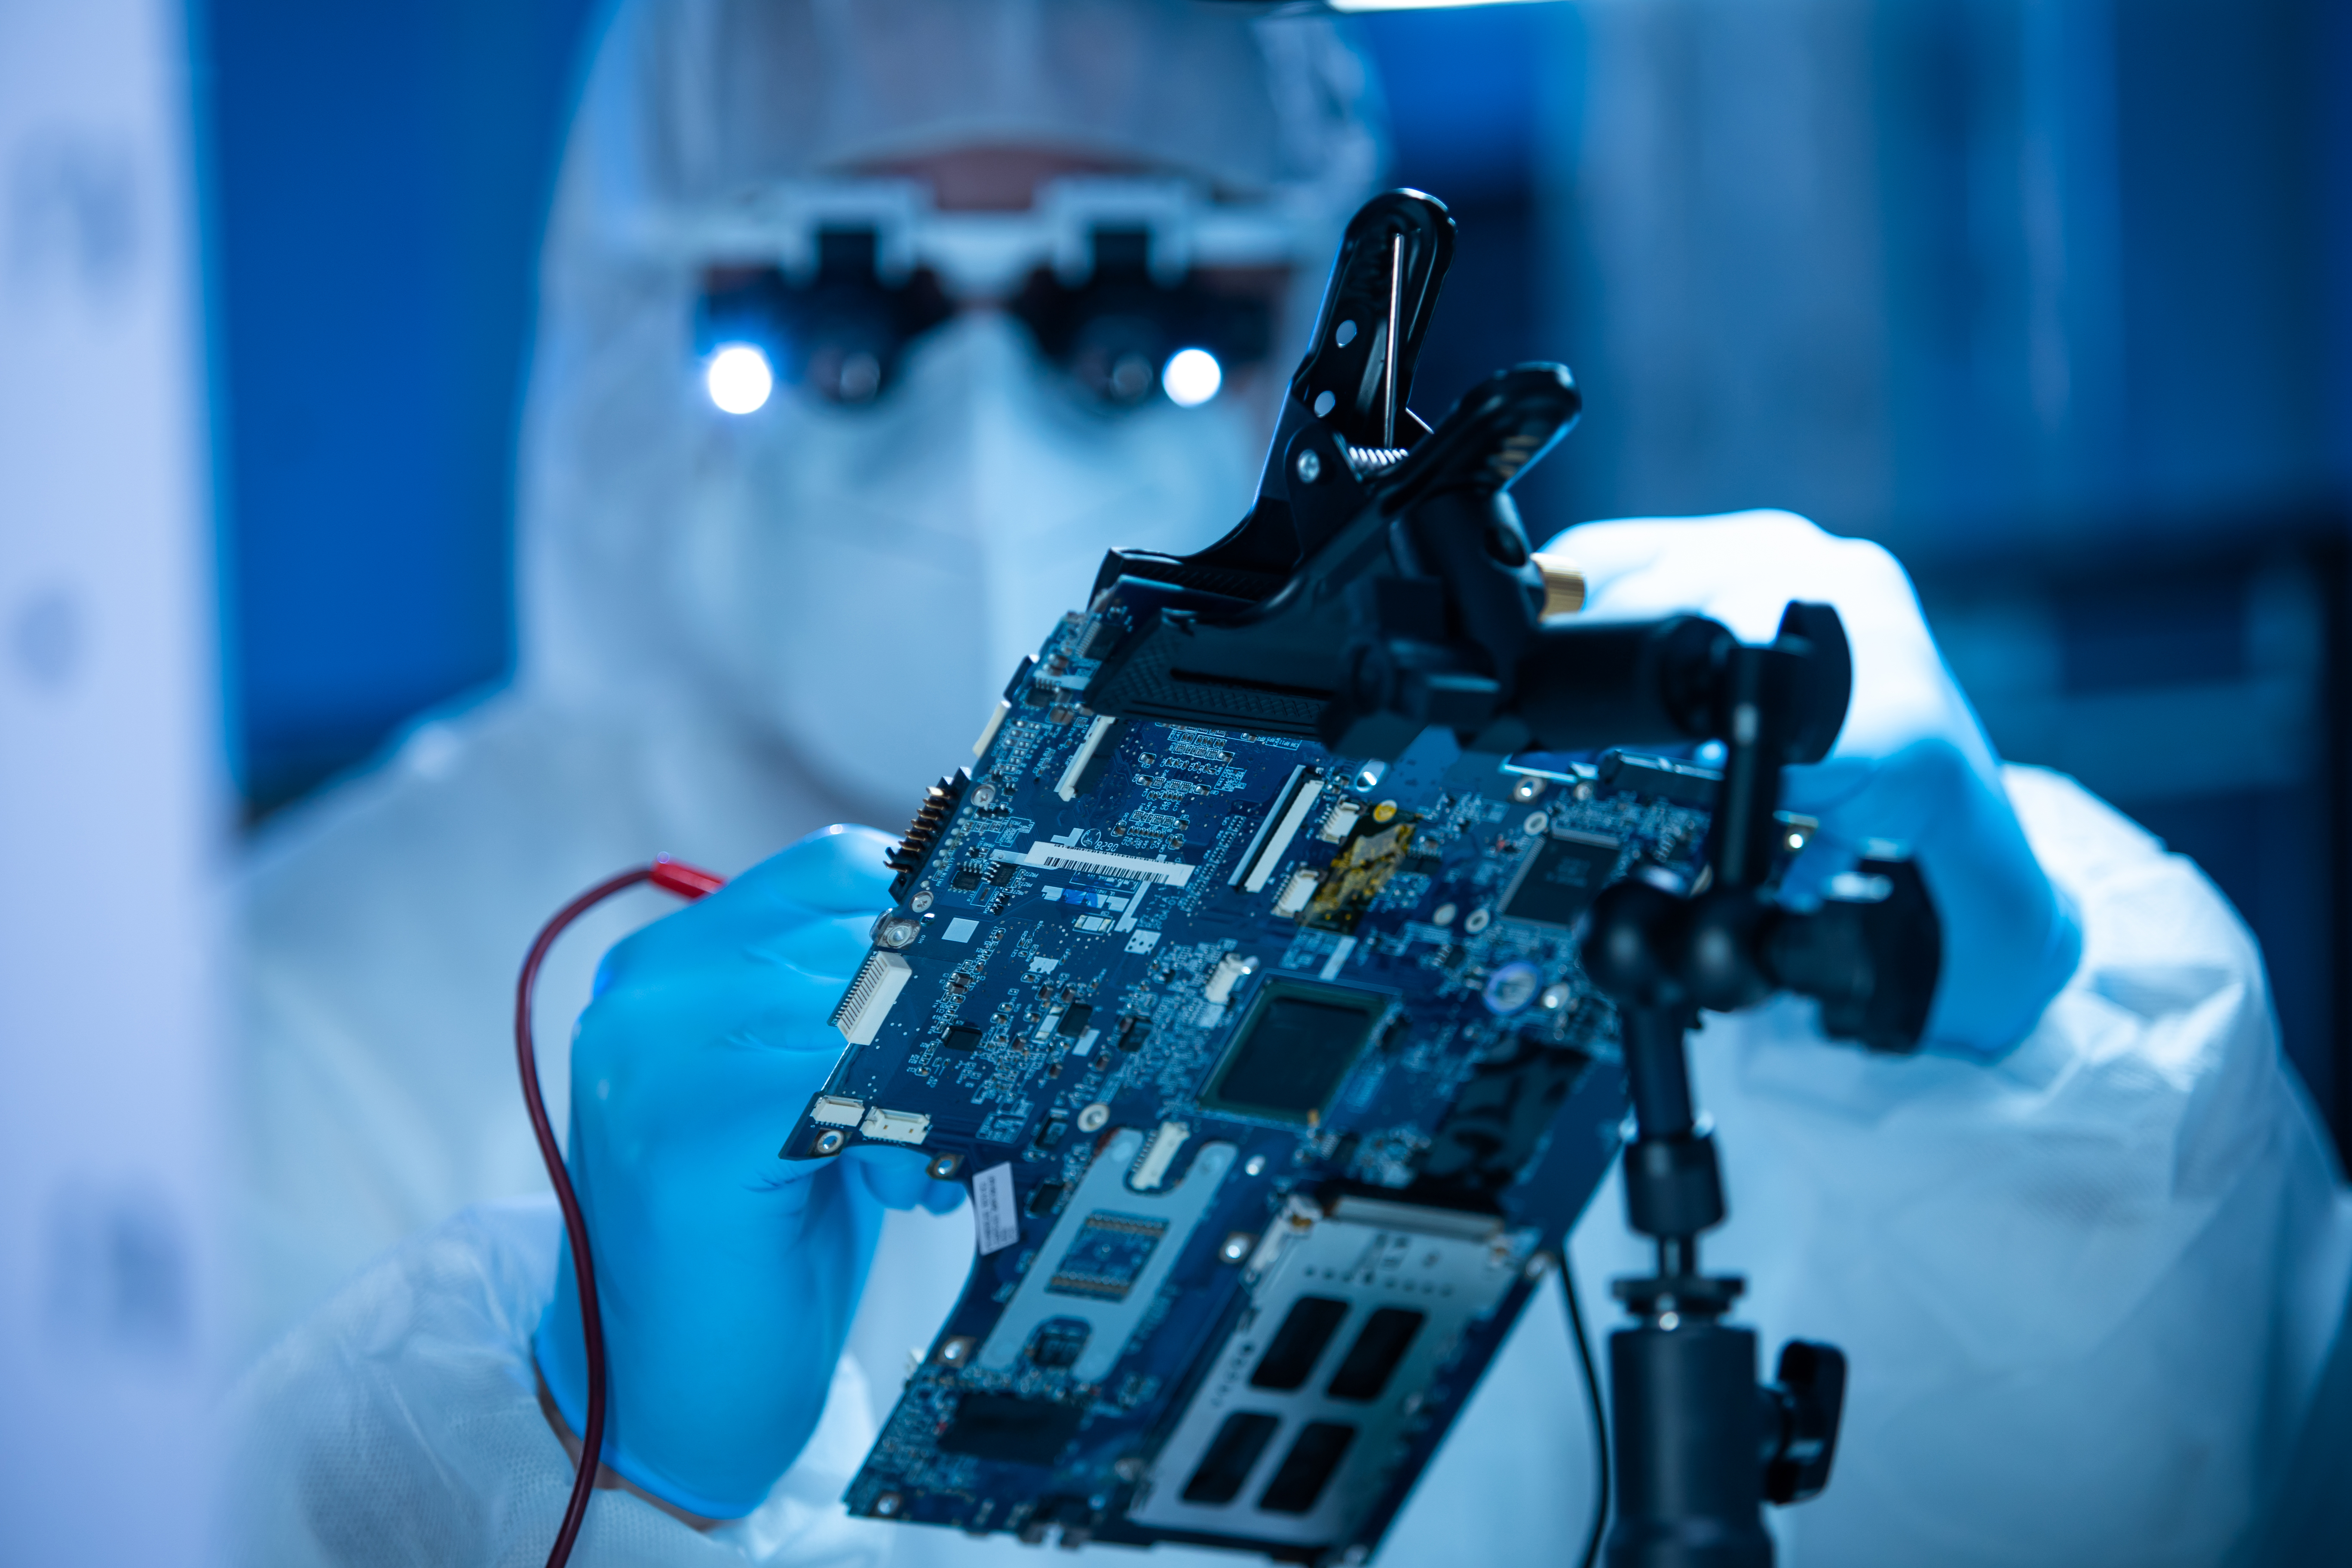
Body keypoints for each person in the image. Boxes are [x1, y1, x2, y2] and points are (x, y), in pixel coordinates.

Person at [224, 2, 2352, 1565]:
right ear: (628, 341)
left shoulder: (1606, 926)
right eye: (839, 313)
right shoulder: (290, 1014)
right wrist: (592, 1477)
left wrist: (2036, 1070)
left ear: (1312, 301)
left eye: (1141, 306)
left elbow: (2204, 1486)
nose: (988, 447)